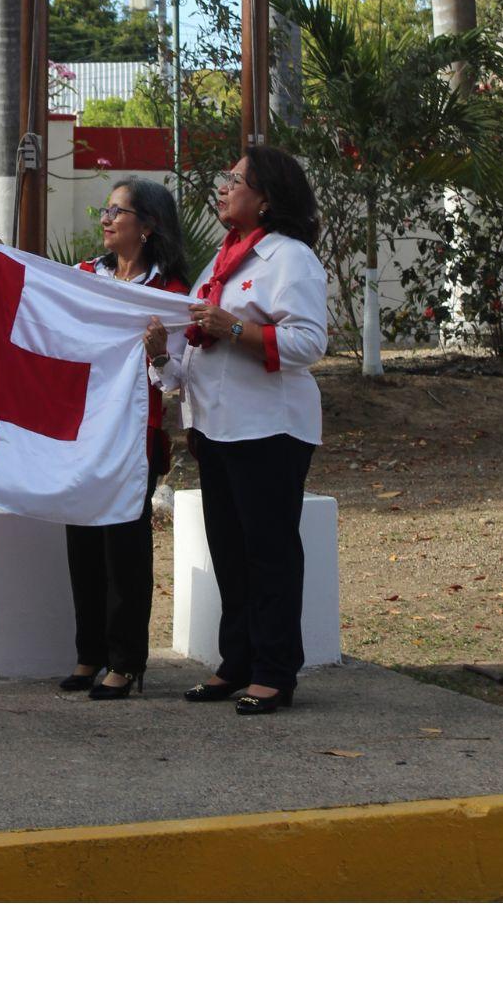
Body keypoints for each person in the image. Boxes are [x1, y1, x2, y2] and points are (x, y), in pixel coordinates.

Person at [145, 147, 327, 715]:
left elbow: (309, 344)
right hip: (215, 427)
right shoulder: (221, 262)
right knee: (230, 550)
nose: (222, 187)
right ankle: (237, 662)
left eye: (235, 179)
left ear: (267, 197)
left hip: (269, 428)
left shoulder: (290, 258)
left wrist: (235, 328)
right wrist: (161, 357)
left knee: (269, 552)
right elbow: (194, 363)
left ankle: (275, 671)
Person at [60, 177, 189, 700]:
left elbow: (174, 381)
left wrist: (159, 355)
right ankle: (89, 654)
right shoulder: (85, 276)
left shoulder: (170, 295)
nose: (107, 219)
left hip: (135, 438)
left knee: (124, 551)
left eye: (118, 211)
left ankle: (125, 661)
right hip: (84, 433)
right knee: (82, 544)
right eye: (106, 210)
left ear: (148, 226)